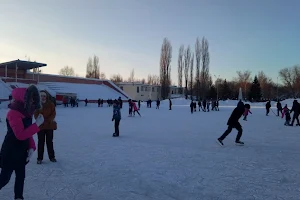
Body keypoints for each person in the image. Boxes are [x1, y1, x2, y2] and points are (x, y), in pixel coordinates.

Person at [0, 85, 44, 200]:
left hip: (21, 151)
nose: (33, 101)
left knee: (21, 176)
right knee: (5, 178)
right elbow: (20, 135)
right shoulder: (13, 113)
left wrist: (31, 147)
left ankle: (18, 197)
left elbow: (27, 133)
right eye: (31, 98)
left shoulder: (26, 112)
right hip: (10, 151)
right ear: (24, 98)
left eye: (34, 98)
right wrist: (37, 125)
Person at [34, 90, 57, 164]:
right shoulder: (37, 104)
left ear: (46, 96)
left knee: (49, 142)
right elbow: (36, 115)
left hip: (49, 126)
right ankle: (39, 158)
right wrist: (41, 120)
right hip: (41, 126)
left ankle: (52, 157)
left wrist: (49, 120)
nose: (43, 97)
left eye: (44, 96)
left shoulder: (51, 104)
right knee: (41, 142)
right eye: (41, 96)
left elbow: (53, 113)